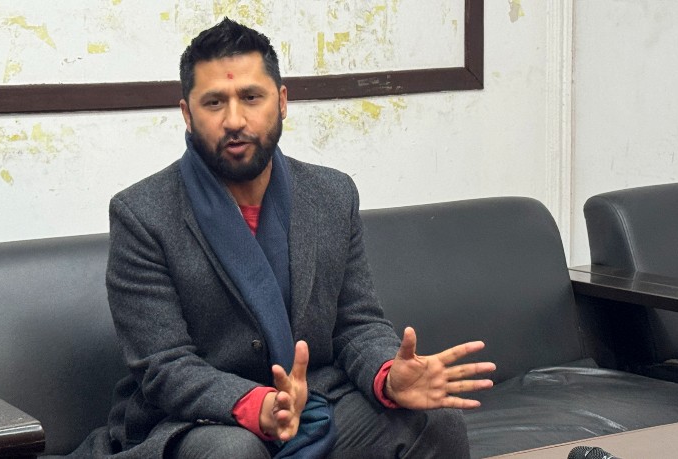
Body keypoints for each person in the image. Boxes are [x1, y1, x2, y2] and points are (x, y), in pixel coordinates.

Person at [71, 16, 496, 459]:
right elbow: (164, 367)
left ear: (282, 101)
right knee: (235, 452)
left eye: (251, 97)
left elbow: (357, 324)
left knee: (436, 421)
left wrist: (388, 375)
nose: (234, 120)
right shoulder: (142, 214)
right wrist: (255, 405)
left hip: (315, 402)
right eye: (214, 102)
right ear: (187, 114)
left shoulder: (332, 194)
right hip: (198, 422)